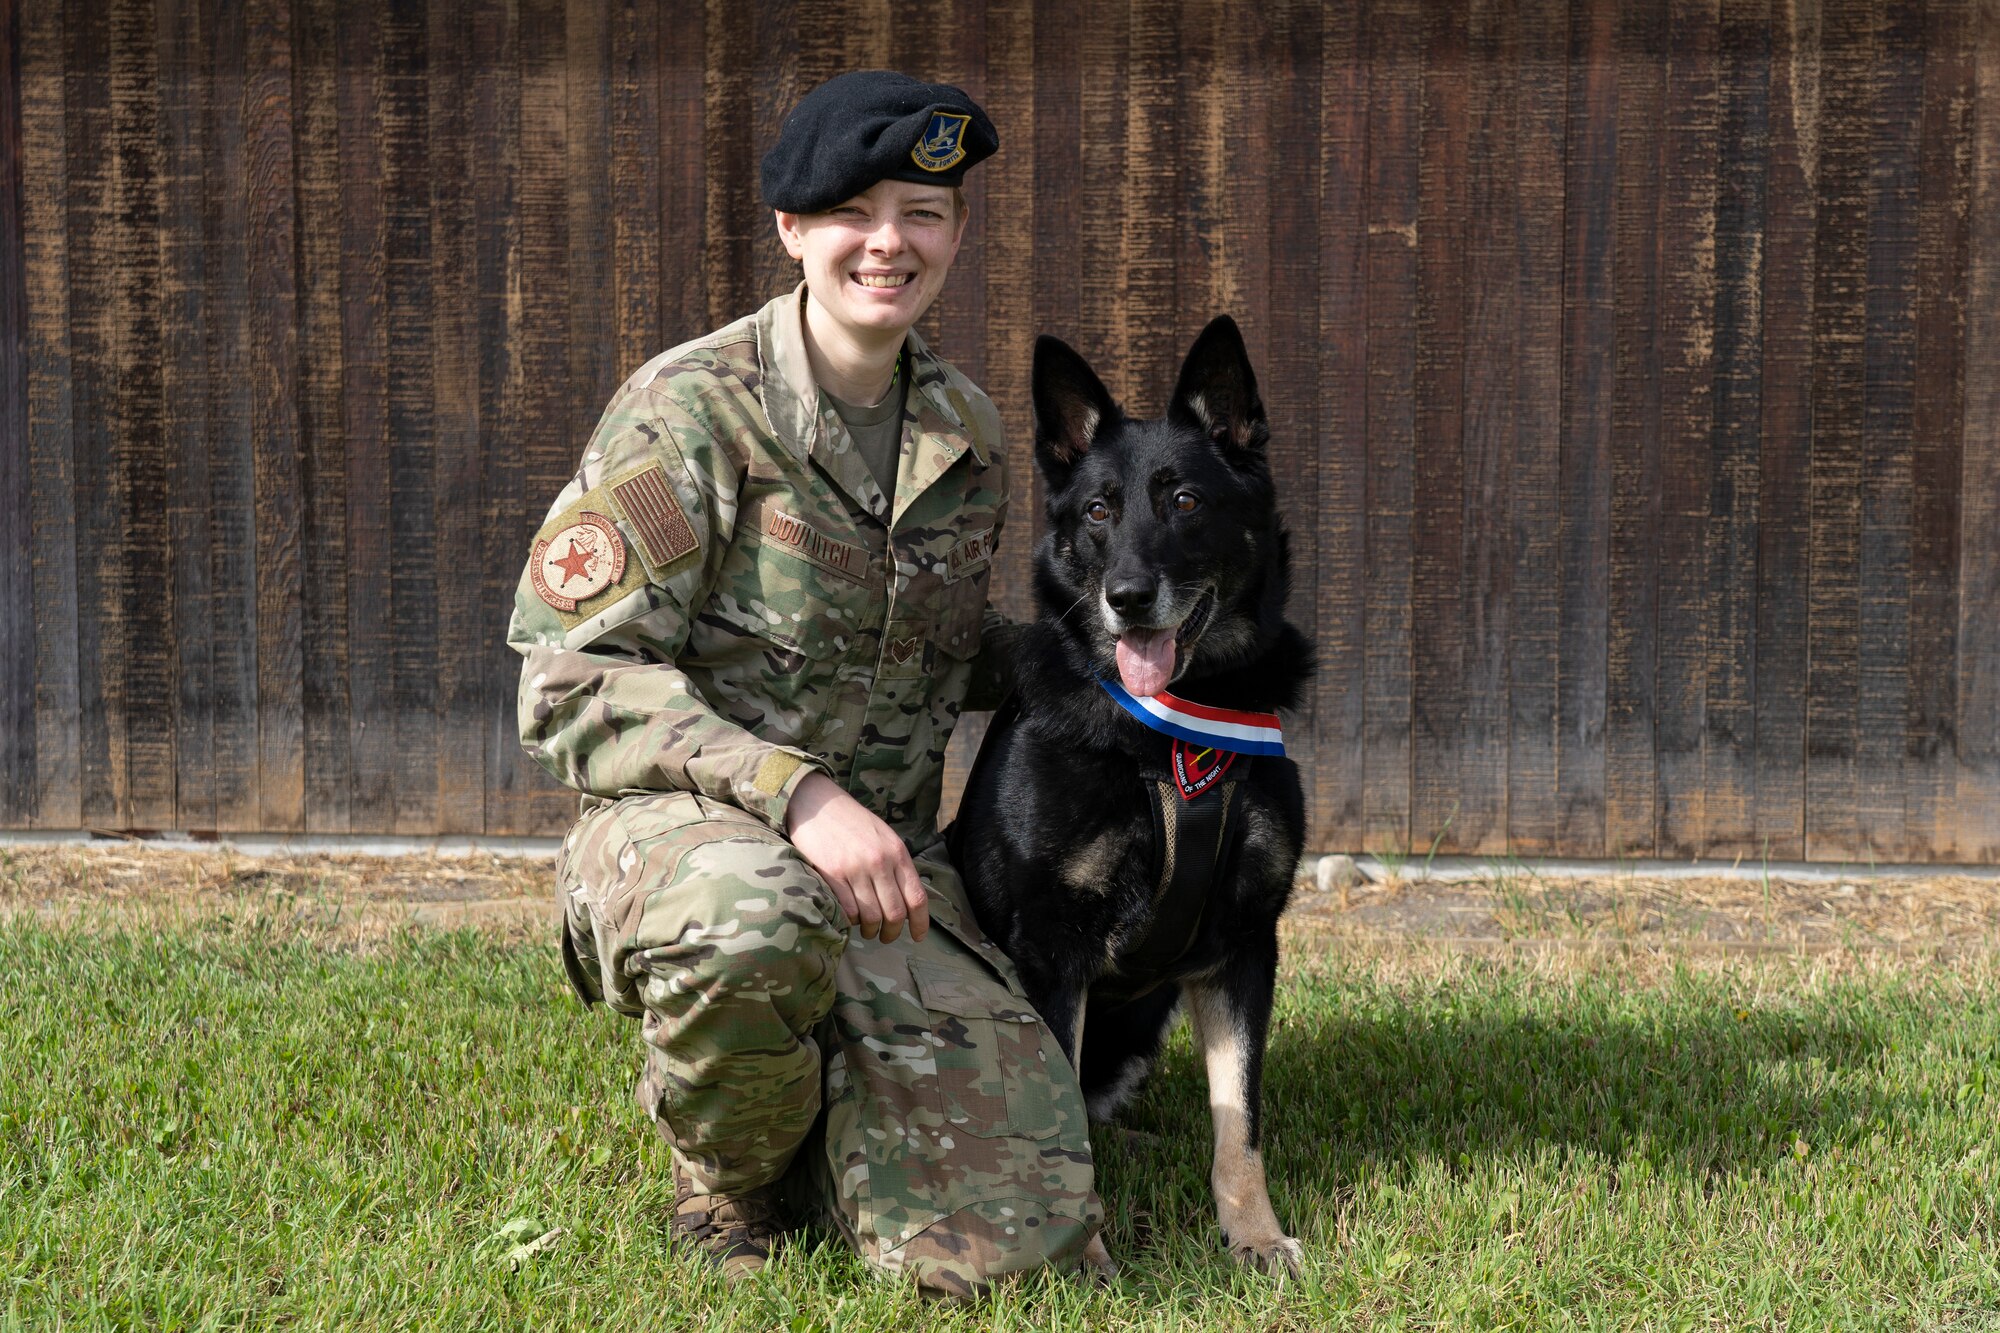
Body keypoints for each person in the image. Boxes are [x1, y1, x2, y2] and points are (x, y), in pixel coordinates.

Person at [507, 71, 1101, 1297]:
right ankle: (730, 1185)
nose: (889, 242)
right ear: (792, 229)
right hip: (692, 840)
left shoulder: (965, 433)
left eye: (924, 212)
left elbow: (926, 643)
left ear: (954, 234)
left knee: (1017, 1251)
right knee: (754, 923)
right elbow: (569, 680)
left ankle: (840, 1084)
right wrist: (797, 796)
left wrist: (1099, 657)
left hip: (889, 878)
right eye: (854, 210)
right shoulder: (693, 412)